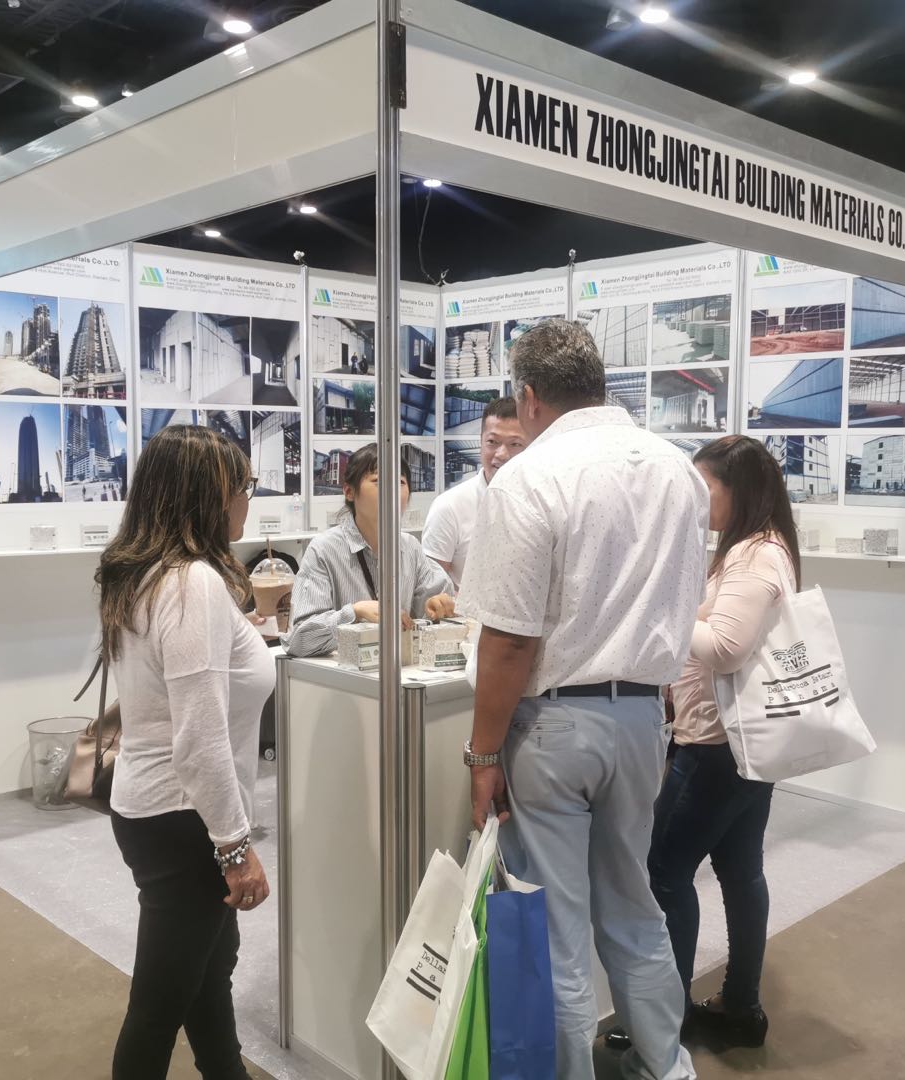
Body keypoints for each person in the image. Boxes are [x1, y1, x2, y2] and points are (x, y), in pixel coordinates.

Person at [460, 320, 707, 1080]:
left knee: (558, 930)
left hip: (556, 724)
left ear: (529, 397)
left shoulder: (530, 477)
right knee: (635, 906)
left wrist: (482, 755)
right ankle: (666, 1067)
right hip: (644, 717)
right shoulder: (678, 470)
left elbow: (509, 641)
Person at [97, 425, 271, 1080]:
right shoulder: (191, 583)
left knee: (207, 979)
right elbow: (198, 738)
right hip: (186, 821)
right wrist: (234, 848)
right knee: (159, 1008)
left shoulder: (145, 574)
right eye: (243, 487)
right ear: (209, 496)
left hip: (157, 812)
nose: (248, 500)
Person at [642, 435, 797, 1051]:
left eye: (703, 488)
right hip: (739, 742)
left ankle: (667, 1016)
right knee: (739, 870)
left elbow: (727, 648)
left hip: (716, 745)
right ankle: (740, 1006)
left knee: (664, 870)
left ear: (740, 490)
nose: (694, 500)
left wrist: (668, 611)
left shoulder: (755, 555)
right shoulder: (751, 549)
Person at [285, 443, 455, 657]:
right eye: (378, 481)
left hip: (400, 670)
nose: (392, 490)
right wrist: (355, 612)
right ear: (349, 491)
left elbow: (432, 608)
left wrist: (436, 607)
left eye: (400, 482)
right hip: (343, 675)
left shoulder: (410, 547)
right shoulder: (324, 550)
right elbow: (299, 640)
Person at [422, 396, 526, 587]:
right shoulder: (449, 507)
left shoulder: (544, 503)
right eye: (492, 442)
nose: (502, 454)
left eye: (515, 444)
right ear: (480, 442)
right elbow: (431, 587)